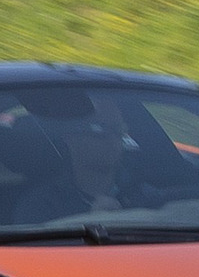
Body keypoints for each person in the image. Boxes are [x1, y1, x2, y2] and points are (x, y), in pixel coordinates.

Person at [11, 91, 158, 223]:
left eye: (119, 130)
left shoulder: (148, 196)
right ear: (70, 137)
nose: (112, 138)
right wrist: (90, 223)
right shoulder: (41, 205)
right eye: (99, 129)